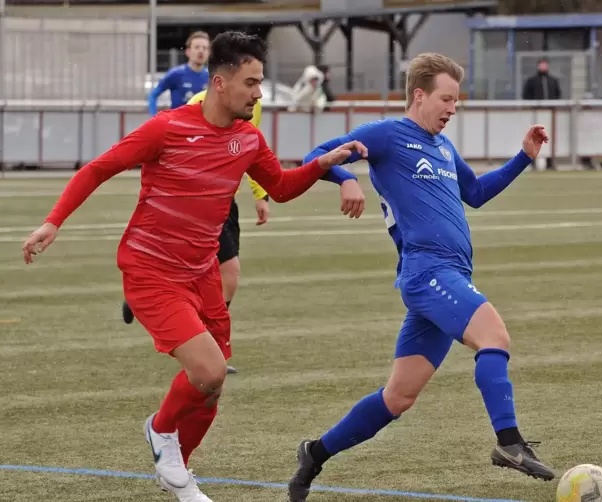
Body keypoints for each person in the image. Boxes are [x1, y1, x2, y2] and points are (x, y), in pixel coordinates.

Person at [22, 31, 367, 502]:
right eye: (251, 82)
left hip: (202, 272)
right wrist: (52, 222)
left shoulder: (248, 139)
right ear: (221, 83)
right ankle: (160, 431)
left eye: (261, 81)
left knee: (211, 387)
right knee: (208, 372)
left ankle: (178, 475)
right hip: (150, 271)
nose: (259, 93)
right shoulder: (166, 128)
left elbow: (282, 188)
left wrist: (325, 164)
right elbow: (97, 168)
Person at [286, 52, 555, 502]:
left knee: (398, 398)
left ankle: (314, 453)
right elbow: (316, 154)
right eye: (446, 99)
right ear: (419, 95)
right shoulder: (389, 134)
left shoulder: (443, 148)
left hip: (443, 276)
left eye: (457, 101)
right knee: (495, 337)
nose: (453, 109)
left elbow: (477, 193)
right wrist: (344, 179)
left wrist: (523, 157)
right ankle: (509, 443)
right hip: (427, 272)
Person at [122, 90, 268, 376]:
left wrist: (260, 194)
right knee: (228, 273)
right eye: (250, 80)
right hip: (201, 202)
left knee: (219, 276)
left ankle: (205, 351)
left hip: (227, 202)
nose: (256, 90)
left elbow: (251, 154)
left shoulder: (253, 105)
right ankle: (204, 351)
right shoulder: (199, 105)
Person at [148, 31, 211, 116]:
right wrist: (154, 117)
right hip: (178, 126)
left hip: (201, 128)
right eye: (197, 47)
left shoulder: (211, 77)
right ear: (188, 51)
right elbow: (153, 95)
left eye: (204, 48)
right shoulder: (176, 74)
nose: (201, 51)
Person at [521, 57, 561, 170]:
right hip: (536, 114)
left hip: (550, 114)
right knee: (535, 137)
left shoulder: (553, 80)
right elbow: (526, 95)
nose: (543, 67)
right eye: (541, 65)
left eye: (545, 64)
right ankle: (532, 160)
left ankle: (550, 161)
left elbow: (558, 95)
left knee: (550, 137)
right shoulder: (532, 81)